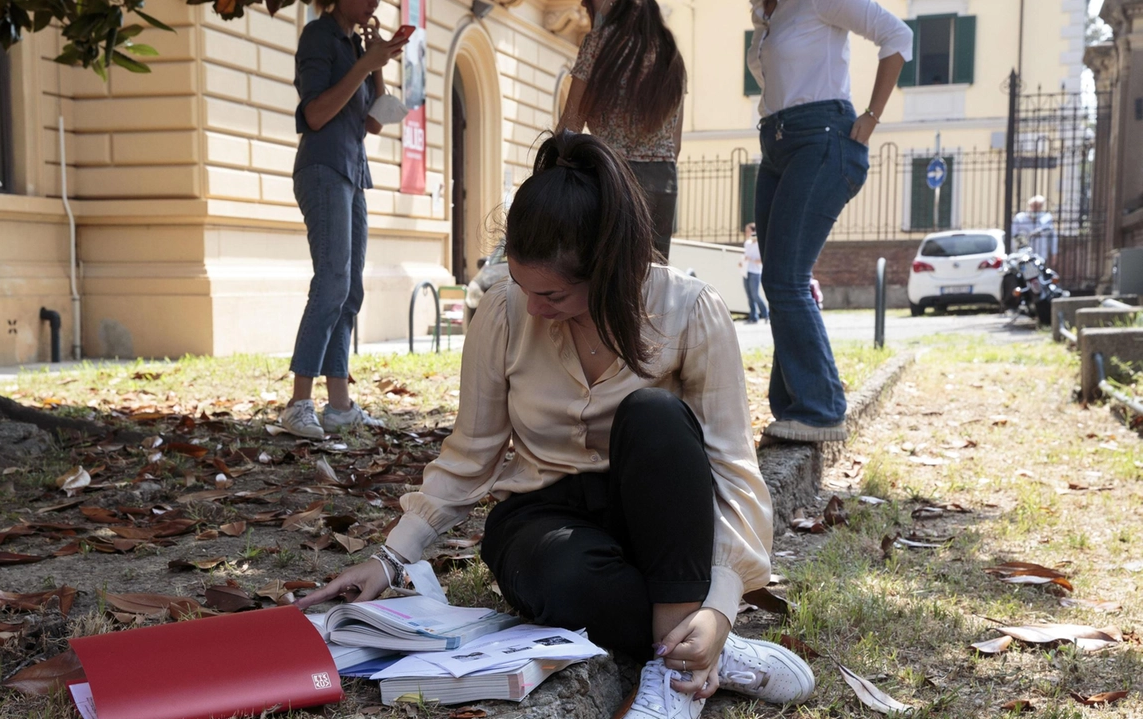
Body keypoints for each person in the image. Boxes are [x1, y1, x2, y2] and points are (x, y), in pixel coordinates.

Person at [297, 132, 815, 718]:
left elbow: (730, 466)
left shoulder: (688, 309)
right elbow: (472, 452)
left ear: (610, 272)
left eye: (554, 294)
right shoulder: (503, 309)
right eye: (522, 285)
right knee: (562, 580)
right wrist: (390, 558)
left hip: (661, 521)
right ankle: (700, 648)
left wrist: (721, 603)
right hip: (546, 515)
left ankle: (682, 672)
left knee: (654, 415)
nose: (533, 307)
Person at [747, 0, 911, 442]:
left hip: (821, 138)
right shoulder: (766, 16)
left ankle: (821, 410)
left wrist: (872, 116)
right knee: (776, 280)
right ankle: (793, 408)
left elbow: (897, 36)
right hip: (776, 146)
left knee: (786, 279)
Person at [280, 0, 407, 439]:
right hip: (323, 168)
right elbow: (315, 113)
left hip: (353, 171)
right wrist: (363, 63)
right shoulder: (319, 36)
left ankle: (339, 406)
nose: (375, 3)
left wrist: (377, 63)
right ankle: (298, 403)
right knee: (332, 282)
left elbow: (375, 122)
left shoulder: (355, 45)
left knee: (350, 290)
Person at [556, 0, 686, 260]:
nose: (583, 3)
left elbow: (569, 128)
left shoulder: (598, 43)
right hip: (663, 182)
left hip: (611, 176)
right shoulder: (671, 54)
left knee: (607, 278)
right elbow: (675, 144)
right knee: (652, 281)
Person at [1011, 195, 1058, 267]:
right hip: (1023, 255)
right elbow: (1013, 235)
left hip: (1041, 254)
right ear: (1029, 205)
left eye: (1039, 206)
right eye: (1034, 206)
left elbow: (1053, 237)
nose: (1036, 208)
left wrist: (1054, 253)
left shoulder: (1046, 218)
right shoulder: (1020, 218)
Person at [740, 223, 768, 323]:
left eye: (748, 231)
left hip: (755, 272)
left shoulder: (759, 244)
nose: (747, 233)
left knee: (755, 295)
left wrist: (751, 259)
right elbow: (745, 256)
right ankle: (753, 316)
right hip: (746, 271)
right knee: (749, 296)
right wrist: (742, 262)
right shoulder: (747, 243)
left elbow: (761, 260)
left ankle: (766, 314)